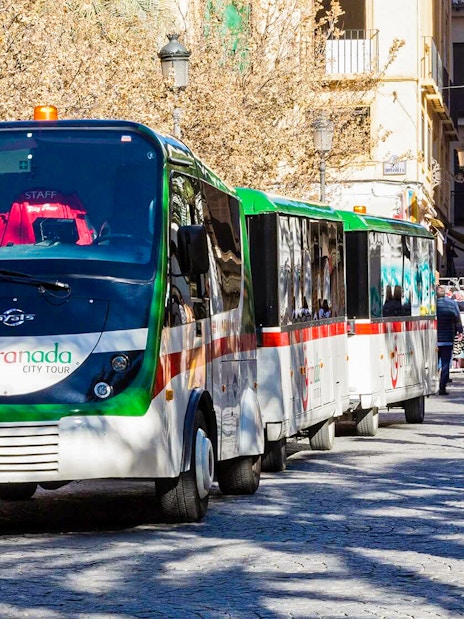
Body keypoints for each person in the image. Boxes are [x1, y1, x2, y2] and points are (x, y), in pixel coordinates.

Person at [436, 285, 463, 395]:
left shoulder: (432, 305)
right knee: (446, 364)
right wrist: (460, 331)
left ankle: (432, 384)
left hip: (434, 339)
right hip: (447, 339)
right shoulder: (452, 304)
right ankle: (442, 387)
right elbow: (457, 319)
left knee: (434, 363)